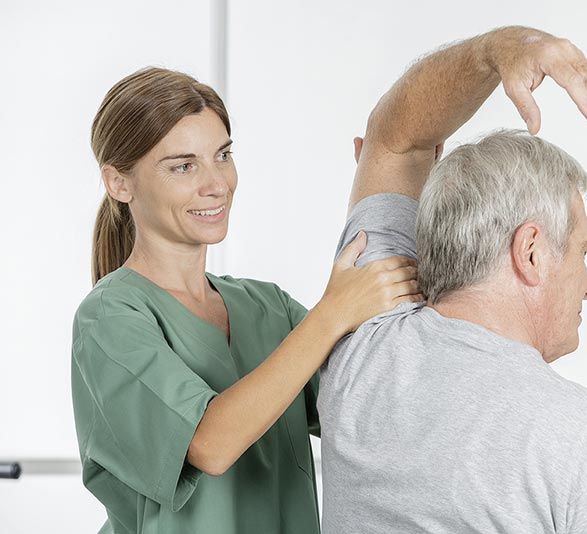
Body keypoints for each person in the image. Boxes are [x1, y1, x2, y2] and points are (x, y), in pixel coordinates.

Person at [319, 26, 587, 533]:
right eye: (582, 253)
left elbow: (394, 141)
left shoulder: (362, 346)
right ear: (530, 252)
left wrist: (498, 50)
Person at [71, 67, 423, 534]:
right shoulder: (109, 318)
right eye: (183, 165)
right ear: (119, 183)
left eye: (222, 155)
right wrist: (333, 313)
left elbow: (376, 403)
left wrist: (408, 192)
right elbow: (210, 445)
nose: (216, 183)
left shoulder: (267, 307)